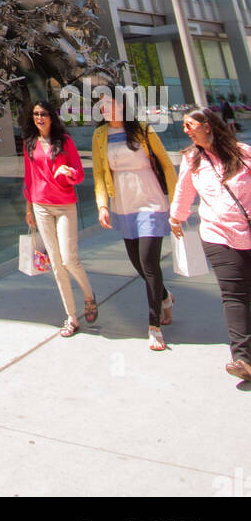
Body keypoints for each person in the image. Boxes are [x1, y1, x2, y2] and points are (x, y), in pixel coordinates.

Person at [169, 107, 251, 381]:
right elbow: (184, 190)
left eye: (189, 124)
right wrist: (176, 218)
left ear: (208, 125)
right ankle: (242, 358)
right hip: (217, 235)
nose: (186, 130)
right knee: (234, 294)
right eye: (184, 126)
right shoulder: (192, 159)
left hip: (248, 230)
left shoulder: (242, 153)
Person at [92, 93, 177, 351]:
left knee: (150, 263)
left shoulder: (143, 130)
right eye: (101, 104)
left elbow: (166, 165)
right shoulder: (100, 136)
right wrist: (102, 205)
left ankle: (154, 327)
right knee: (139, 265)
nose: (105, 108)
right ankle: (165, 296)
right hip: (124, 204)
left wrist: (176, 205)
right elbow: (98, 173)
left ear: (122, 106)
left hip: (150, 201)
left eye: (109, 103)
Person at [23, 100, 97, 337]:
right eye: (35, 114)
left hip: (64, 205)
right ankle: (71, 317)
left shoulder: (64, 142)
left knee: (68, 259)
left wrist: (68, 172)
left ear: (52, 117)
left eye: (43, 114)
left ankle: (89, 295)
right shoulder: (30, 143)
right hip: (40, 205)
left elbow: (79, 171)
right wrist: (28, 209)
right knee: (55, 262)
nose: (39, 118)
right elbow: (29, 177)